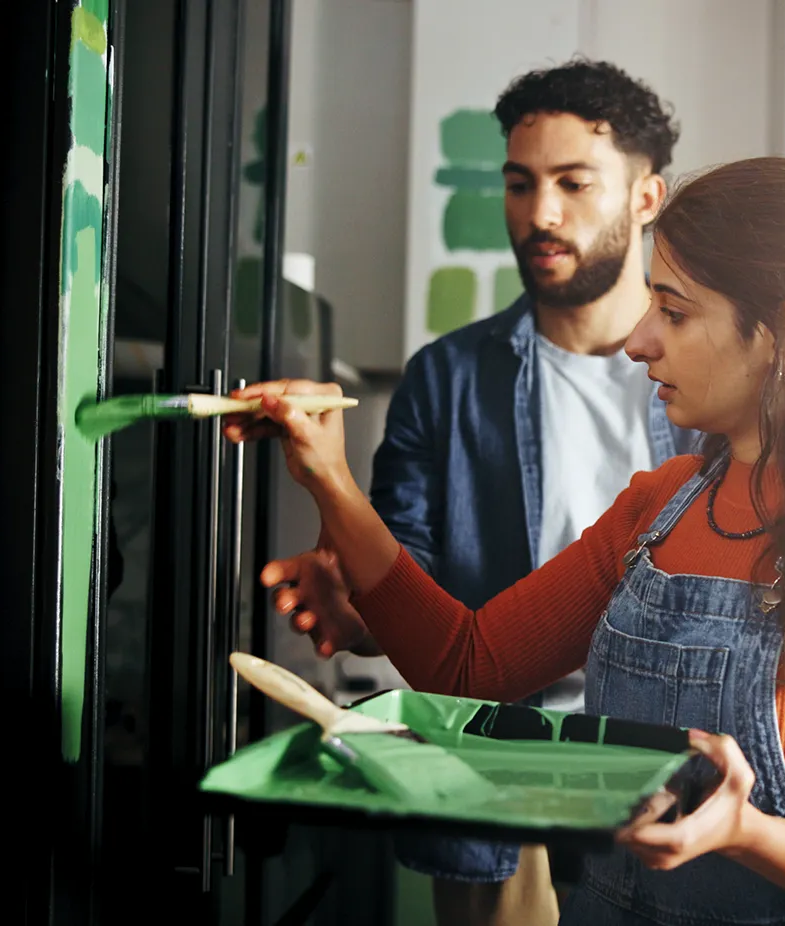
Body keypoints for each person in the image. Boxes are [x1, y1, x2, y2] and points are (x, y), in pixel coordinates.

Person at [228, 157, 785, 925]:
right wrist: (328, 478)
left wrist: (751, 835)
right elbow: (468, 666)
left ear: (784, 337)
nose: (638, 343)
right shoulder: (656, 508)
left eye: (674, 312)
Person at [269, 59, 694, 925]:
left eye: (575, 184)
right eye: (519, 183)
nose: (540, 214)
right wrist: (351, 602)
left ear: (646, 198)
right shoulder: (446, 379)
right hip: (491, 776)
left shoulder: (701, 382)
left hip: (665, 772)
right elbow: (406, 580)